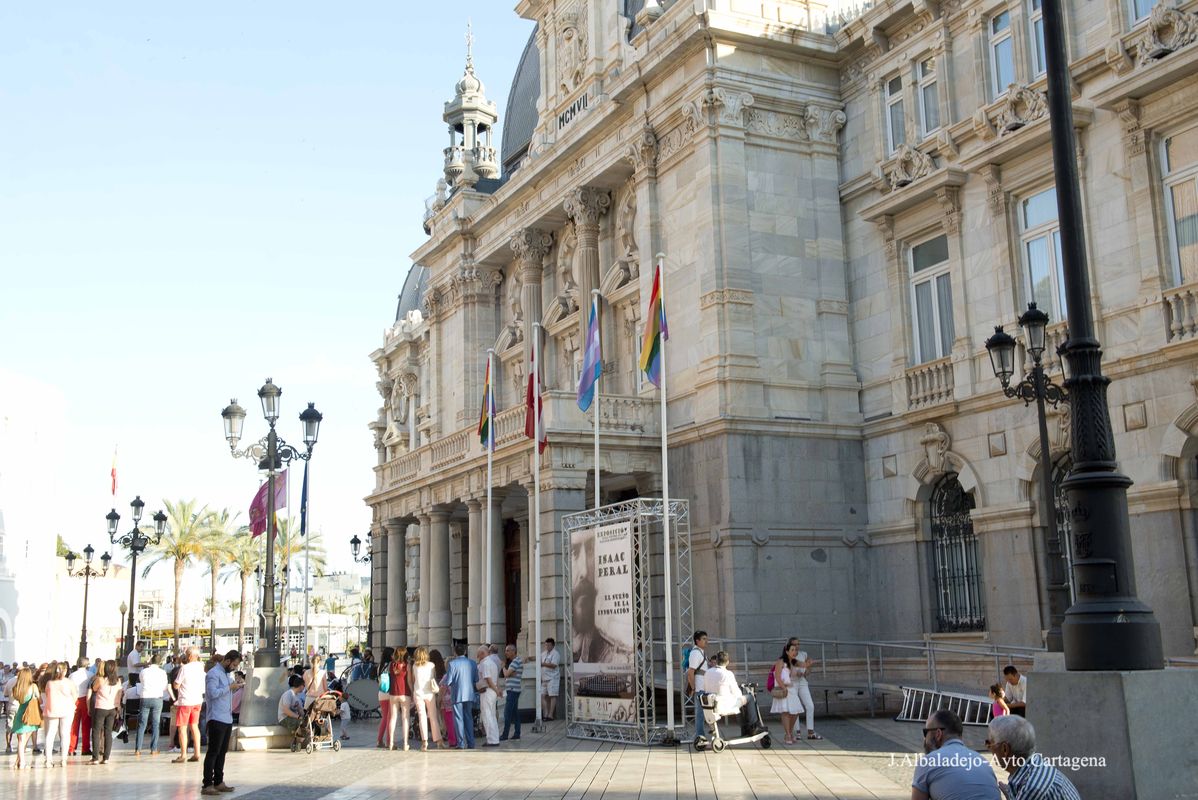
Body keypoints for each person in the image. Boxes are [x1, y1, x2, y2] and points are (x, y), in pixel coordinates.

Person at [986, 715, 1082, 800]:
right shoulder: (1034, 764)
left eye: (989, 742)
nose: (987, 747)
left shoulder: (1031, 788)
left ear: (1005, 749)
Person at [912, 709, 1001, 800]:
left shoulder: (927, 761)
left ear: (938, 734)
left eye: (926, 733)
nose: (924, 738)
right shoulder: (982, 761)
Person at [201, 650, 242, 796]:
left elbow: (227, 691)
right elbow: (212, 694)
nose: (234, 668)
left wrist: (234, 686)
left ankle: (219, 781)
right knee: (213, 751)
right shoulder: (213, 674)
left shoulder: (226, 674)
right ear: (227, 660)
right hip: (216, 717)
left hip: (227, 717)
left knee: (222, 752)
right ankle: (207, 783)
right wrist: (229, 688)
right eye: (234, 664)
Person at [172, 646, 205, 764]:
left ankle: (183, 754)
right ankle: (197, 753)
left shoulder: (184, 668)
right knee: (194, 727)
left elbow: (176, 684)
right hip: (197, 700)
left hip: (185, 701)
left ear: (190, 656)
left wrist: (177, 686)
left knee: (182, 728)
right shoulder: (201, 668)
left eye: (186, 654)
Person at [443, 642, 478, 749]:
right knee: (469, 718)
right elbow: (476, 679)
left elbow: (448, 681)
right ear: (465, 651)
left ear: (455, 652)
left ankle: (461, 743)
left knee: (458, 719)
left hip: (457, 694)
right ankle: (471, 742)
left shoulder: (452, 664)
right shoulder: (472, 663)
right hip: (469, 694)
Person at [136, 653, 172, 755]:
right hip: (157, 698)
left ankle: (138, 749)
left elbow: (141, 682)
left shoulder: (143, 671)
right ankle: (153, 748)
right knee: (156, 723)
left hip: (145, 697)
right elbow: (165, 687)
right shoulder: (162, 672)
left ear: (151, 660)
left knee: (142, 723)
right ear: (160, 662)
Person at [42, 662, 76, 767]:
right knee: (65, 734)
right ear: (65, 671)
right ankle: (64, 759)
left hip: (52, 710)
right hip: (67, 710)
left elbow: (47, 694)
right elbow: (75, 696)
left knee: (50, 735)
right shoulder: (69, 683)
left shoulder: (50, 683)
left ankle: (48, 760)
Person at [410, 646, 444, 750]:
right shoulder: (431, 665)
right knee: (433, 717)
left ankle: (424, 742)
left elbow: (413, 679)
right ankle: (439, 741)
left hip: (418, 692)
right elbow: (433, 677)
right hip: (429, 693)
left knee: (422, 717)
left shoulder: (415, 666)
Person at [90, 659, 123, 764]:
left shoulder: (100, 680)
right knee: (108, 732)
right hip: (112, 708)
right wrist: (118, 709)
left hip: (101, 708)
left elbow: (94, 689)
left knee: (96, 731)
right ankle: (106, 757)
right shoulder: (117, 680)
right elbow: (119, 695)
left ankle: (95, 758)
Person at [770, 639, 802, 745]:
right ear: (787, 651)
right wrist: (783, 687)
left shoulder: (792, 662)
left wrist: (806, 665)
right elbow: (777, 676)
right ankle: (788, 734)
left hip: (791, 688)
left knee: (796, 711)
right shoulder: (780, 661)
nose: (794, 652)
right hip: (784, 688)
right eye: (792, 650)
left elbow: (795, 674)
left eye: (795, 650)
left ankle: (789, 732)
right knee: (785, 712)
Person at [9, 667, 39, 769]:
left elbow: (17, 699)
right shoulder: (34, 687)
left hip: (20, 714)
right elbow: (40, 701)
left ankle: (20, 762)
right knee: (25, 740)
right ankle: (20, 762)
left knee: (21, 740)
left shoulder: (16, 688)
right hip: (30, 715)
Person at [703, 650, 748, 716]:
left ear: (717, 661)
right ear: (727, 662)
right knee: (749, 697)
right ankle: (751, 724)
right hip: (724, 706)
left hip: (709, 706)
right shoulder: (728, 674)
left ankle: (747, 724)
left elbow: (704, 688)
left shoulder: (707, 672)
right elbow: (737, 693)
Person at [790, 638, 819, 740]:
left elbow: (807, 670)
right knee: (796, 707)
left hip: (802, 682)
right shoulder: (787, 656)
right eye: (794, 644)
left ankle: (810, 731)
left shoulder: (803, 654)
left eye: (798, 644)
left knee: (810, 705)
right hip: (792, 683)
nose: (797, 646)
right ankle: (797, 732)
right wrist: (794, 673)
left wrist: (808, 669)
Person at [384, 646, 411, 750]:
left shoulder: (391, 665)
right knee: (405, 718)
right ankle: (405, 743)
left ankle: (391, 743)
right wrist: (412, 691)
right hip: (405, 693)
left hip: (393, 693)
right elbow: (408, 681)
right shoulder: (407, 665)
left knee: (393, 718)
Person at [67, 656, 93, 756]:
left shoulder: (72, 675)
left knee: (74, 725)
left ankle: (71, 748)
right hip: (86, 699)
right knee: (86, 726)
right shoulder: (90, 675)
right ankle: (85, 748)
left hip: (74, 700)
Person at [686, 631, 709, 740]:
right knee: (700, 713)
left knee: (704, 712)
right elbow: (690, 672)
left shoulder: (701, 652)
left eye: (706, 638)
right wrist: (693, 687)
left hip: (703, 686)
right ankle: (700, 736)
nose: (706, 641)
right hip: (699, 687)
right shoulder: (695, 653)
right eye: (703, 639)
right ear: (697, 641)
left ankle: (701, 735)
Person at [477, 644, 501, 746]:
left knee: (487, 715)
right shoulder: (492, 663)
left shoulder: (485, 663)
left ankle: (491, 739)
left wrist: (496, 690)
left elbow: (488, 679)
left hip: (487, 691)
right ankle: (494, 738)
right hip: (491, 691)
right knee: (492, 715)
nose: (477, 656)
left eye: (478, 654)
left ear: (483, 653)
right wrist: (497, 690)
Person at [500, 644, 523, 742]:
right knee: (514, 713)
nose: (506, 652)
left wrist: (503, 667)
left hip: (513, 690)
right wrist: (510, 673)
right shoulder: (516, 661)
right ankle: (517, 733)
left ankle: (505, 734)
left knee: (507, 713)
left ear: (514, 651)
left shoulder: (515, 661)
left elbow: (506, 674)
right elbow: (511, 674)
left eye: (508, 650)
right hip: (514, 689)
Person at [375, 646, 394, 748]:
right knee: (389, 718)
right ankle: (388, 741)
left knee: (384, 718)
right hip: (390, 693)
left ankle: (379, 740)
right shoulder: (391, 665)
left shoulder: (380, 666)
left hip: (381, 693)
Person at [539, 638, 559, 722]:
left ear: (553, 645)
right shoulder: (543, 653)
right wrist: (529, 658)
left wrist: (543, 664)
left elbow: (554, 665)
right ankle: (545, 714)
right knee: (542, 695)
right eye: (546, 645)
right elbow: (537, 658)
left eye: (549, 645)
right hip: (544, 678)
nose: (547, 646)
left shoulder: (556, 654)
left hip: (552, 678)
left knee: (552, 695)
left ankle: (550, 715)